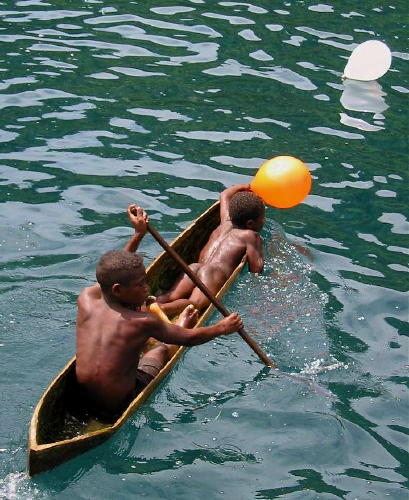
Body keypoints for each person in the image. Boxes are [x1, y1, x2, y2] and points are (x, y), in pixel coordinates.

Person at [75, 205, 243, 419]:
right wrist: (221, 328)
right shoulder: (142, 322)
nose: (146, 288)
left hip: (82, 399)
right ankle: (179, 322)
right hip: (119, 405)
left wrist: (138, 234)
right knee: (160, 350)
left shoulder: (86, 298)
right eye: (140, 285)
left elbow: (110, 275)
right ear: (117, 289)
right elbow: (190, 339)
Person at [157, 184, 265, 317]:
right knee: (194, 303)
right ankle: (163, 309)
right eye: (262, 218)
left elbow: (225, 194)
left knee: (170, 295)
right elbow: (256, 269)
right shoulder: (250, 235)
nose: (263, 221)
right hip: (212, 275)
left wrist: (248, 186)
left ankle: (154, 303)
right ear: (250, 224)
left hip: (195, 267)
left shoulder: (225, 221)